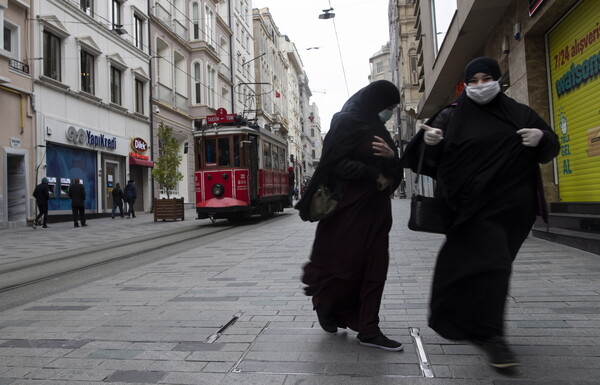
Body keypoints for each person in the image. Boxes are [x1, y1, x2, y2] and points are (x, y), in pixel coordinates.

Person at [401, 57, 560, 368]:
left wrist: (542, 138)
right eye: (472, 81)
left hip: (513, 210)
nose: (478, 86)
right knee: (493, 267)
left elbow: (550, 145)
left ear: (497, 80)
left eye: (485, 78)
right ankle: (491, 336)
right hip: (468, 210)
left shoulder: (519, 113)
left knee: (491, 267)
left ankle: (478, 326)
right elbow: (422, 156)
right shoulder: (451, 115)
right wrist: (430, 141)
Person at [295, 80, 403, 352]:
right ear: (376, 102)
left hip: (376, 212)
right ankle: (326, 304)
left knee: (376, 267)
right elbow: (334, 164)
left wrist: (392, 158)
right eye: (388, 107)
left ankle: (369, 328)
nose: (389, 112)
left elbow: (395, 172)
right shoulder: (346, 122)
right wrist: (371, 173)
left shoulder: (379, 129)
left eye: (392, 108)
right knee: (344, 266)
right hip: (346, 210)